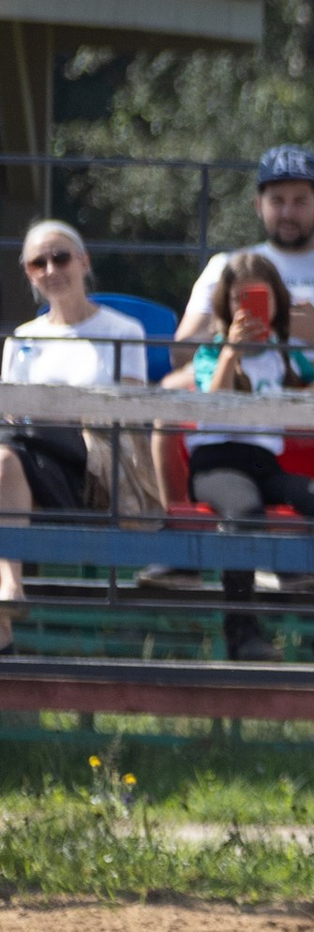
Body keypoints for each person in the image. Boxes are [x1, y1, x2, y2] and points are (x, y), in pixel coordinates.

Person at [159, 249, 314, 662]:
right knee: (244, 512)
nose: (247, 308)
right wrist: (231, 351)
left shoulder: (284, 352)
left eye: (258, 299)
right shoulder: (212, 353)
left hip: (264, 464)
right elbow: (213, 402)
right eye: (238, 299)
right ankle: (242, 633)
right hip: (215, 463)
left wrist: (312, 391)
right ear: (225, 305)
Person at [0, 218, 157, 641]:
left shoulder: (123, 332)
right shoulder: (21, 339)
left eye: (60, 257)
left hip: (91, 470)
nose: (51, 269)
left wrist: (59, 416)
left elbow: (130, 416)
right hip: (28, 468)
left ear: (84, 261)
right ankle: (7, 596)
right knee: (3, 457)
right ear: (28, 273)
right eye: (38, 263)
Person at [174, 146, 314, 356]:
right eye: (277, 200)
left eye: (300, 201)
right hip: (246, 386)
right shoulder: (226, 265)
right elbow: (180, 352)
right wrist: (233, 334)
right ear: (258, 205)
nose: (288, 213)